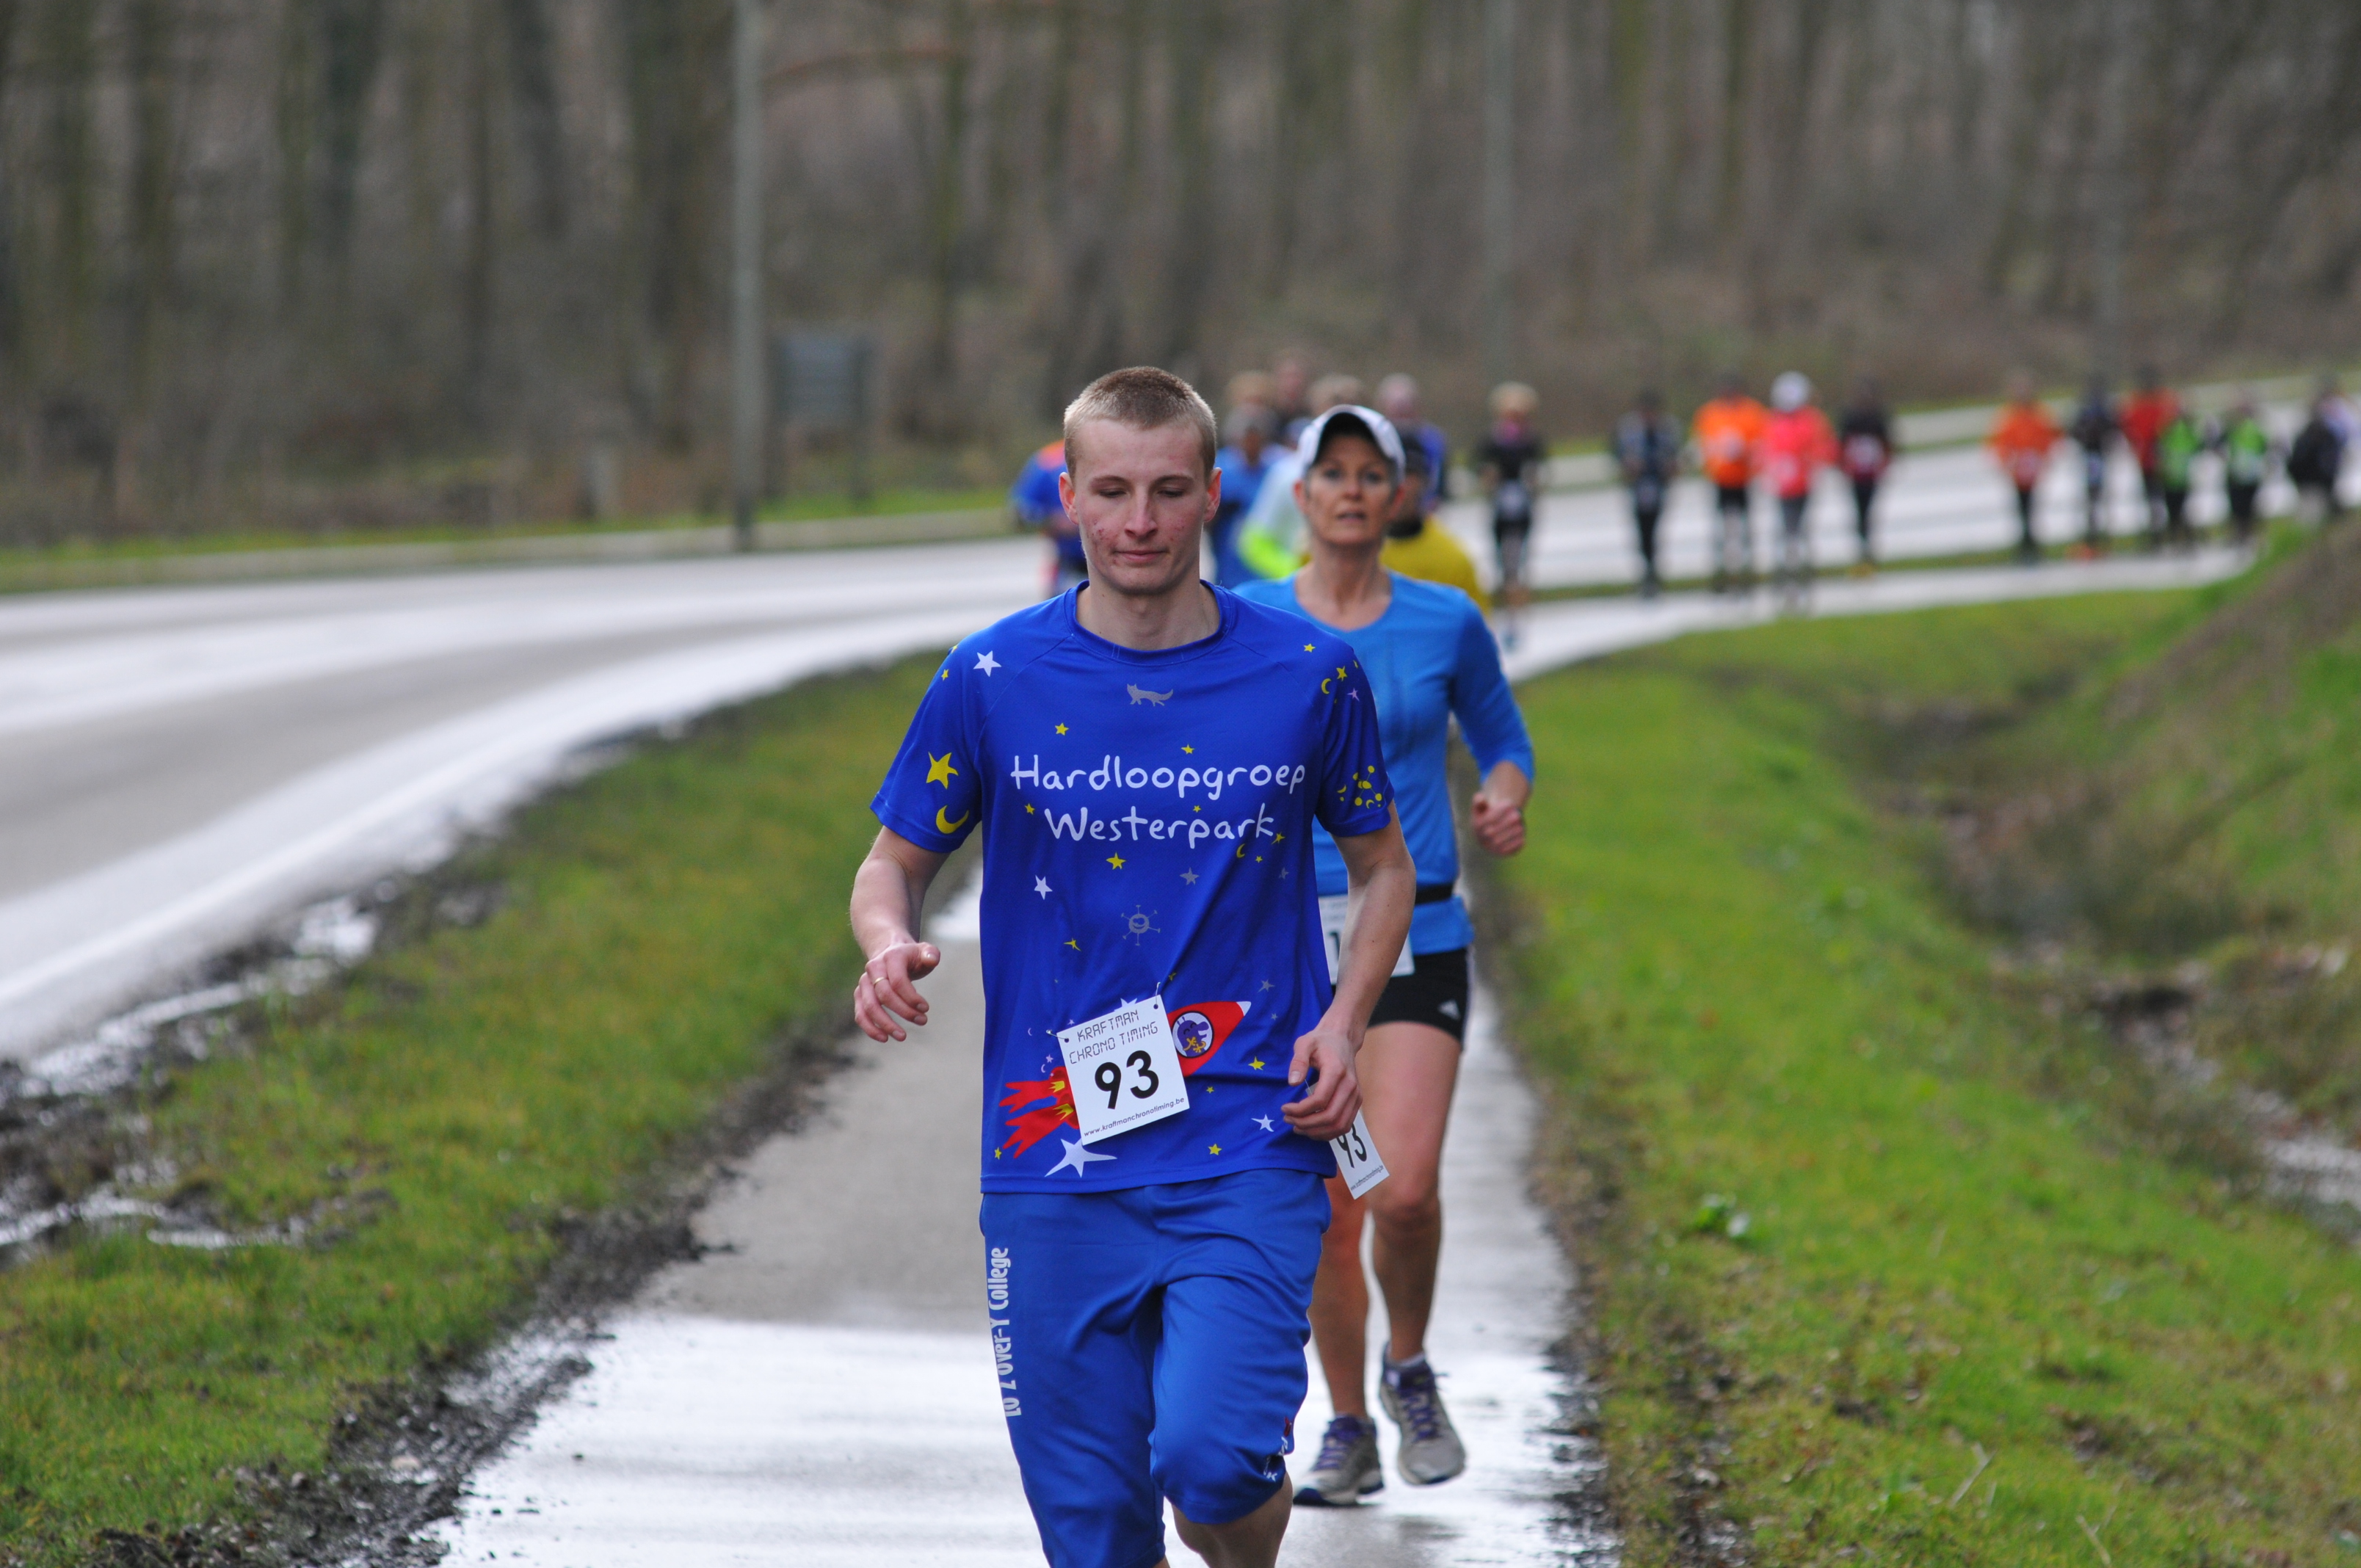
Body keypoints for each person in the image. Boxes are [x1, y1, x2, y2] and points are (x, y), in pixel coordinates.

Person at [851, 366, 1416, 1568]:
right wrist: (886, 944)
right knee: (1098, 1537)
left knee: (1213, 1462)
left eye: (1168, 491)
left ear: (1214, 493)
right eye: (1111, 492)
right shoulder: (991, 678)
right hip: (1050, 1153)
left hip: (1250, 1133)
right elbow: (891, 863)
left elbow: (1384, 869)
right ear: (1069, 496)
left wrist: (1345, 1022)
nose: (1140, 522)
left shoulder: (1308, 674)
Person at [1233, 404, 1535, 1508]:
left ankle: (1410, 1366)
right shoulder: (1250, 619)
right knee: (1329, 1209)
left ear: (1400, 496)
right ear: (1302, 496)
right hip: (1289, 950)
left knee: (1401, 1191)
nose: (1353, 491)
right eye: (1334, 473)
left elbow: (1504, 740)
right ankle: (1349, 1425)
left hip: (1419, 933)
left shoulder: (1446, 620)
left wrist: (1503, 795)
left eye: (1374, 474)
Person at [1474, 382, 1546, 646]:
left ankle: (1517, 616)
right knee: (1504, 565)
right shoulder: (1493, 441)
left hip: (1522, 509)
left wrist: (1534, 482)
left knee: (1518, 564)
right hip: (1501, 508)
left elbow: (1541, 470)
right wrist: (1487, 477)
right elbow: (1478, 467)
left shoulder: (1531, 441)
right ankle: (1509, 613)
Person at [1380, 433, 1487, 607]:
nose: (1398, 485)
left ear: (1425, 481)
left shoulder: (1453, 561)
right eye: (1387, 473)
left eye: (1407, 473)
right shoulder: (1347, 557)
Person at [1759, 372, 1835, 608]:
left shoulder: (1810, 421)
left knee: (1799, 532)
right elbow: (1766, 453)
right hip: (1784, 487)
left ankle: (1801, 579)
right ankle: (1788, 579)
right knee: (1787, 533)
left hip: (1803, 485)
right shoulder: (1774, 422)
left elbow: (1825, 450)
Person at [1692, 372, 1767, 592]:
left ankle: (1747, 572)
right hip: (1720, 479)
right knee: (1721, 530)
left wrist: (1744, 452)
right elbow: (1703, 445)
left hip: (1744, 478)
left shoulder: (1752, 412)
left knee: (1746, 529)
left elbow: (1762, 444)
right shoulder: (1709, 413)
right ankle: (1721, 573)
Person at [1613, 389, 1681, 598]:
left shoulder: (1667, 429)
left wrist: (1671, 468)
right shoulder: (1629, 429)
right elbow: (1617, 454)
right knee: (1642, 530)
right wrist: (1627, 467)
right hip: (1638, 486)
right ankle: (1647, 572)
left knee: (1656, 529)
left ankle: (1653, 572)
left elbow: (1675, 455)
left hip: (1658, 485)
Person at [1988, 376, 2059, 564]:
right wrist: (2008, 463)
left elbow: (2050, 438)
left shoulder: (2040, 414)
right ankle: (2025, 546)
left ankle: (2032, 545)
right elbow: (2000, 443)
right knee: (2021, 508)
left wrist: (2043, 459)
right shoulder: (2008, 416)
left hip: (2034, 468)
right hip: (2017, 469)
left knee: (2033, 507)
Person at [1212, 403, 1279, 586]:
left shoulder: (1276, 471)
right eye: (1247, 438)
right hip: (1229, 556)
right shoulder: (1222, 469)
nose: (1251, 444)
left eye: (1256, 438)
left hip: (1264, 562)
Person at [1010, 439, 1084, 595]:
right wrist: (1055, 522)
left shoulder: (1114, 449)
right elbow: (1019, 512)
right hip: (1069, 566)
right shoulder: (1047, 460)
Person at [2119, 366, 2180, 549]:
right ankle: (2158, 536)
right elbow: (2127, 427)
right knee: (2153, 499)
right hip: (2148, 460)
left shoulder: (2163, 401)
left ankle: (2171, 534)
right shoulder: (2137, 403)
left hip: (2165, 460)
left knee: (2168, 498)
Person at [1838, 377, 1893, 572]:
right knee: (1859, 512)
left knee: (1869, 512)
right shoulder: (1850, 416)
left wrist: (1885, 465)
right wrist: (1843, 466)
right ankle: (1862, 550)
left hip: (1872, 473)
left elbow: (1888, 444)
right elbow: (1842, 444)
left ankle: (1868, 551)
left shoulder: (1879, 417)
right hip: (1855, 474)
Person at [1377, 373, 1449, 514]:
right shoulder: (1375, 437)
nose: (1401, 410)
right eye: (1396, 405)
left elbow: (1440, 478)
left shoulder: (1433, 439)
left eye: (1405, 404)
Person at [2068, 377, 2119, 555]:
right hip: (2092, 456)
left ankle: (2098, 538)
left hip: (2096, 456)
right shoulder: (2093, 411)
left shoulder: (2097, 411)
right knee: (2094, 499)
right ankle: (2094, 538)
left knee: (2096, 498)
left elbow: (2112, 430)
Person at [2213, 396, 2272, 548]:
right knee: (2244, 507)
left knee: (2244, 507)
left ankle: (2245, 535)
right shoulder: (2244, 428)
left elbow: (2265, 447)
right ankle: (2245, 535)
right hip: (2242, 474)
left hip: (2244, 474)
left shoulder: (2240, 428)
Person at [2289, 383, 2349, 523]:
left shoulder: (2324, 435)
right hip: (2313, 485)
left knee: (2317, 520)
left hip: (2319, 485)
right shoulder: (2310, 436)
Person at [2155, 406, 2202, 552]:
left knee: (2173, 512)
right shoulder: (2187, 432)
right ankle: (2188, 541)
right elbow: (2198, 447)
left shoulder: (2168, 431)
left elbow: (2160, 451)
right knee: (2184, 511)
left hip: (2171, 477)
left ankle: (2176, 541)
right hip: (2182, 477)